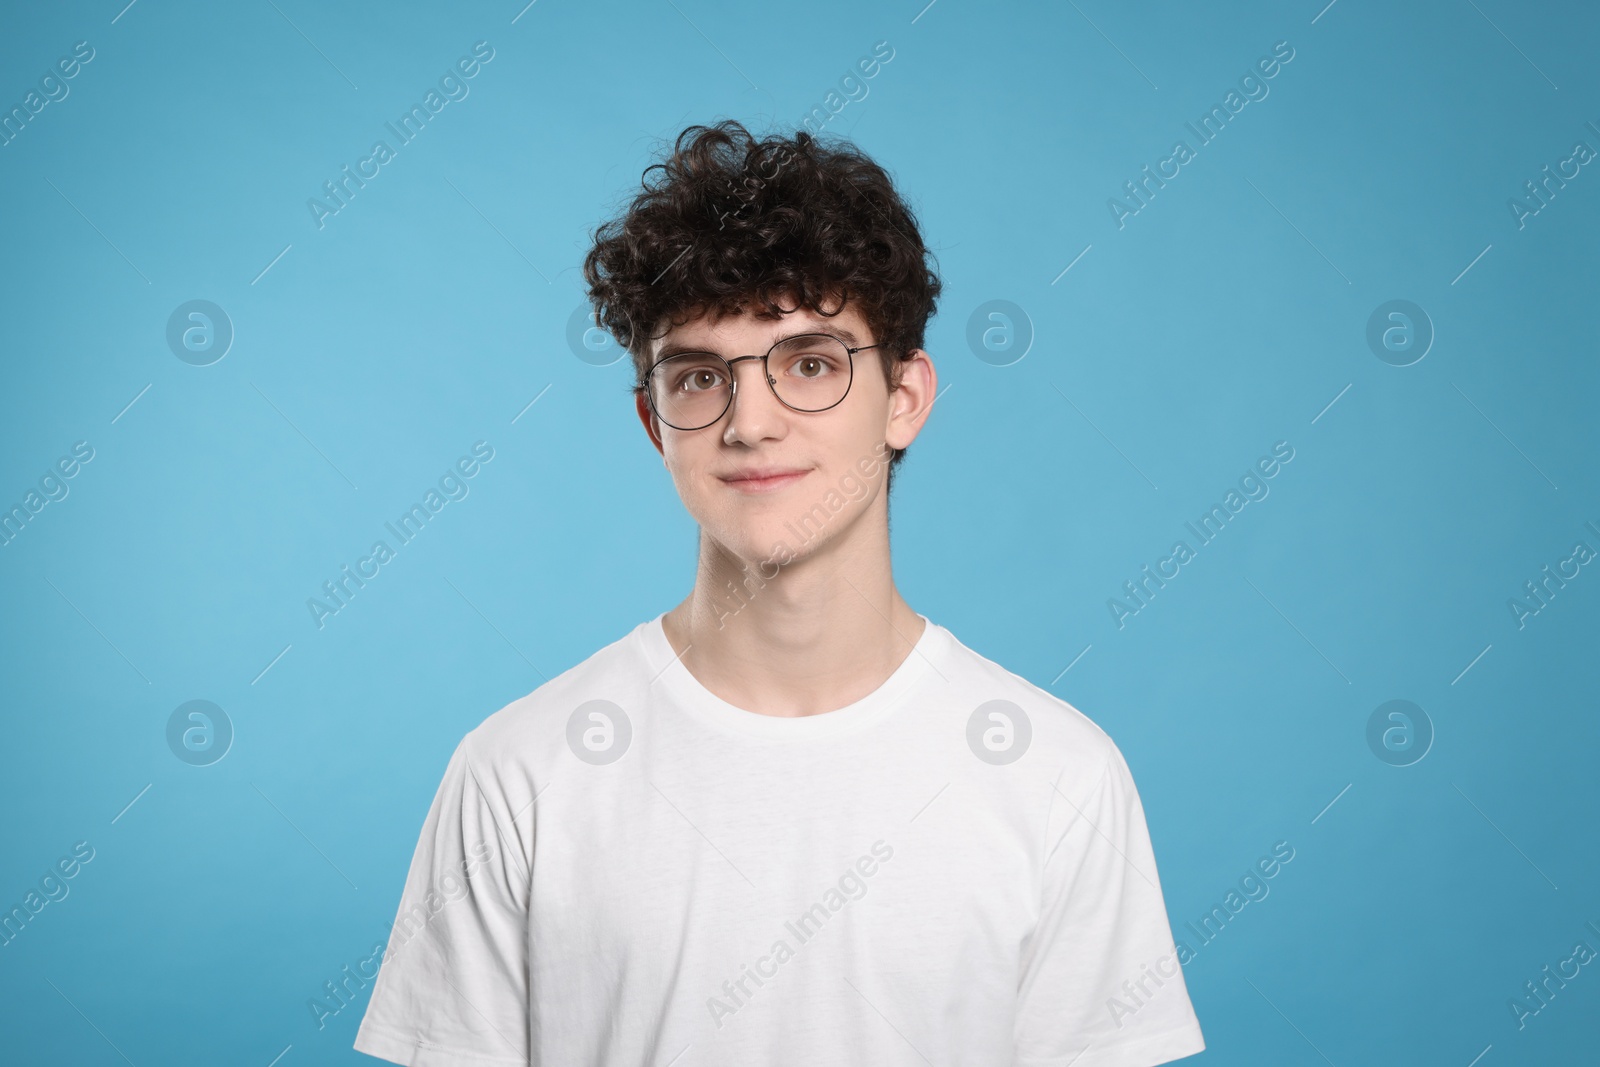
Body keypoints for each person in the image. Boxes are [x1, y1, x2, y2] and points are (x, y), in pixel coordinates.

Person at [354, 120, 1204, 1067]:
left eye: (810, 362)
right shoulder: (519, 775)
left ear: (905, 398)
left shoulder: (1060, 777)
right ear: (653, 421)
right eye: (699, 376)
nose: (750, 422)